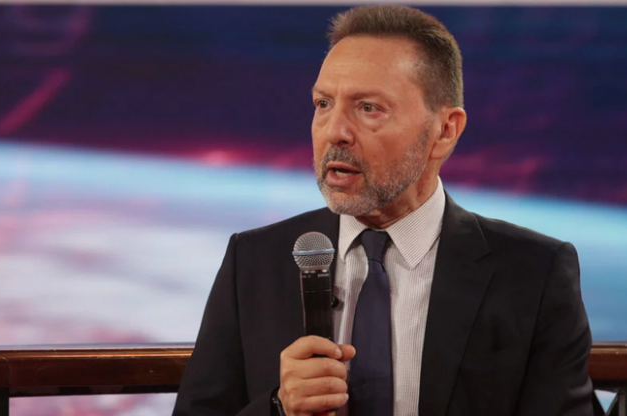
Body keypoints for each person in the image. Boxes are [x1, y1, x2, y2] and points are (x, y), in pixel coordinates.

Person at [172, 5, 593, 416]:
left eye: (368, 108)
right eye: (323, 104)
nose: (335, 131)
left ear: (445, 131)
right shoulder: (254, 262)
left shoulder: (533, 273)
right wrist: (279, 408)